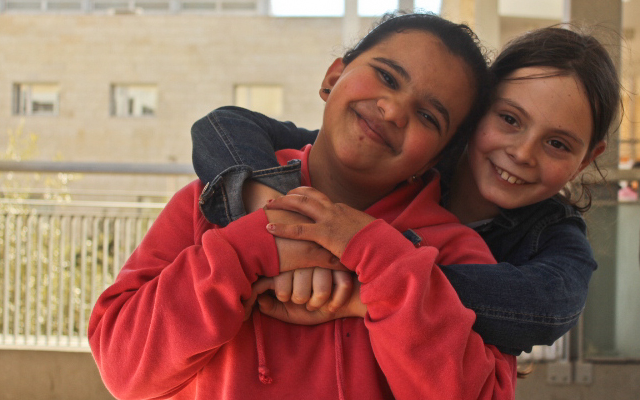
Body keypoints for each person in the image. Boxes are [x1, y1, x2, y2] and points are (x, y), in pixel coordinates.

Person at [88, 12, 518, 400]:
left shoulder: (457, 252)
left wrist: (379, 259)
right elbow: (122, 366)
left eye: (429, 117)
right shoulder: (210, 202)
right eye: (387, 77)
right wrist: (251, 246)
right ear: (333, 76)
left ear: (436, 158)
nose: (392, 110)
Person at [190, 25, 621, 355]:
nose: (524, 153)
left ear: (586, 159)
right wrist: (270, 218)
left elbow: (548, 306)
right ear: (471, 117)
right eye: (509, 119)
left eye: (558, 144)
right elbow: (224, 125)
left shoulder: (554, 235)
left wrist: (364, 287)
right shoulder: (404, 157)